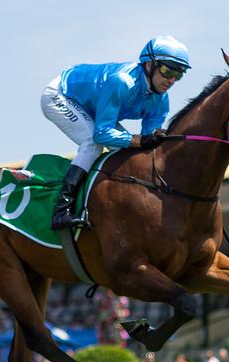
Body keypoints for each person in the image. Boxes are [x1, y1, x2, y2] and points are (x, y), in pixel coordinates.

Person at [41, 35, 191, 229]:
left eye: (178, 75)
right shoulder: (122, 82)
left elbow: (147, 147)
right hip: (61, 94)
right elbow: (101, 134)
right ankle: (62, 210)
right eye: (167, 70)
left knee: (128, 153)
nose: (171, 80)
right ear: (149, 65)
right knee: (92, 144)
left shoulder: (161, 101)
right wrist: (140, 140)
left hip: (91, 105)